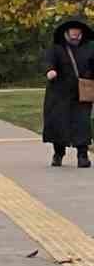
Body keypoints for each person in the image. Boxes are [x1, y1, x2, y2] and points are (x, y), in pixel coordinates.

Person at [42, 17, 94, 168]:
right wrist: (50, 70)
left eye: (77, 30)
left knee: (82, 123)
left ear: (82, 32)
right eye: (72, 29)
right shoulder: (57, 47)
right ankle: (58, 154)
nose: (75, 32)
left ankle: (82, 155)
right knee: (58, 122)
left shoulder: (90, 47)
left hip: (82, 91)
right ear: (67, 31)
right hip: (59, 91)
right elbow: (48, 60)